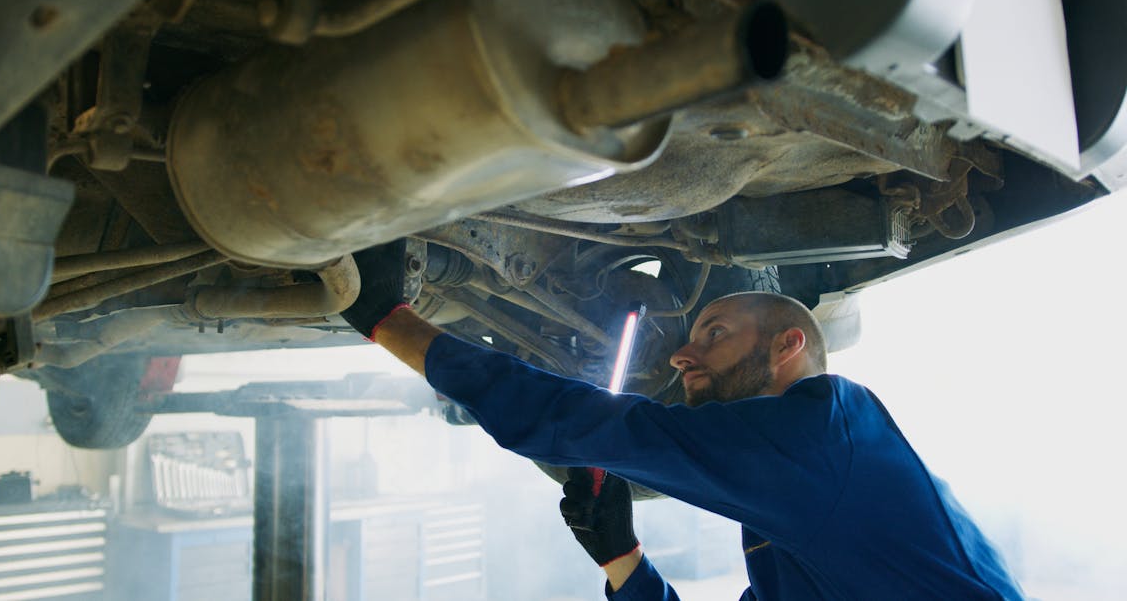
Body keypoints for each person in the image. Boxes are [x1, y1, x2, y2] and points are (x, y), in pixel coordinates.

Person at [339, 245, 1025, 600]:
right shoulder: (805, 484)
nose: (681, 353)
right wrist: (624, 559)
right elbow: (589, 425)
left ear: (788, 345)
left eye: (715, 332)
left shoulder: (821, 435)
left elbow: (584, 423)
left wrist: (390, 323)